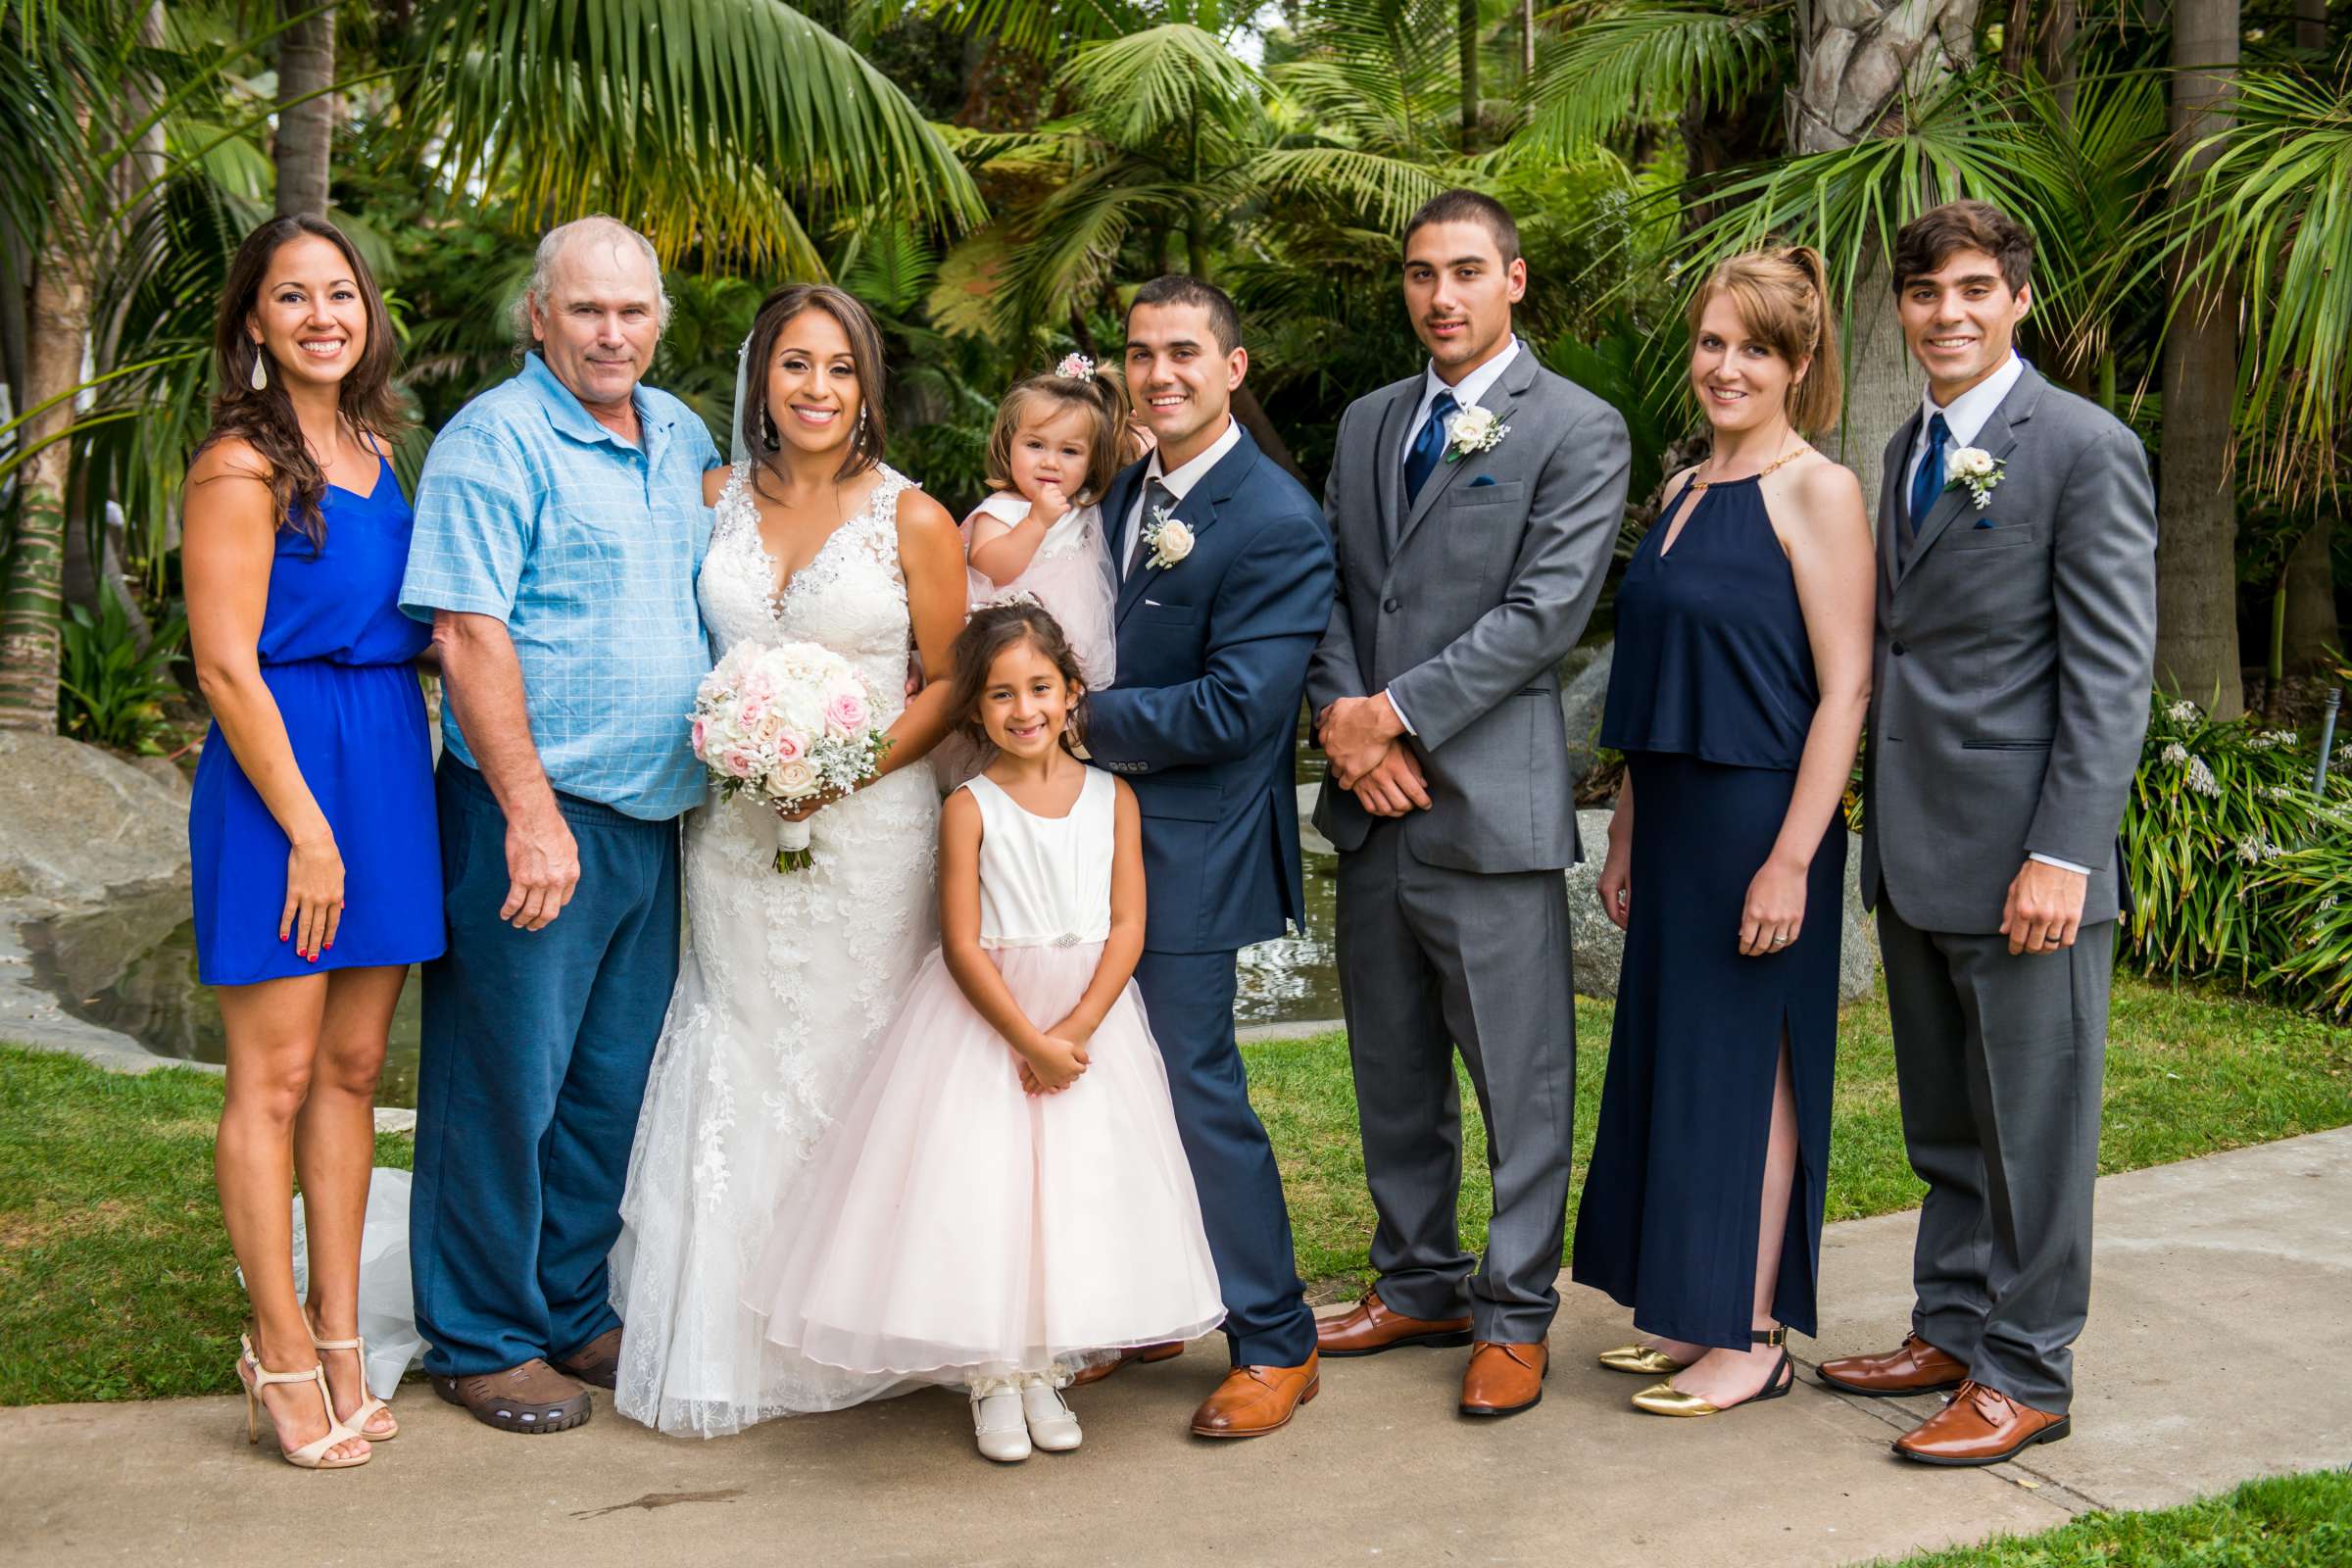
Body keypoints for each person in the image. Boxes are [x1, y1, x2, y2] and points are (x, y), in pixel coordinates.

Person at [1818, 200, 2157, 1466]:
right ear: (1901, 311)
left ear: (2018, 295)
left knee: (2035, 1139)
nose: (1946, 313)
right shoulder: (1904, 446)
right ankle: (1951, 1325)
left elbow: (2111, 675)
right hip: (1915, 858)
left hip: (2030, 866)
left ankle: (2028, 1372)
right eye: (1923, 293)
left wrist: (2065, 852)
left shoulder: (2083, 447)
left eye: (1972, 289)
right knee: (1947, 1124)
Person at [746, 602, 1226, 1463]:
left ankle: (1044, 1362)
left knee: (1068, 1197)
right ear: (974, 711)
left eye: (1040, 688)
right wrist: (1029, 1039)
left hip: (1090, 1024)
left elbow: (1127, 927)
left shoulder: (1114, 797)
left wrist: (1074, 1028)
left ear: (1073, 692)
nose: (1024, 710)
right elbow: (961, 945)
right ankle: (992, 1378)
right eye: (1000, 696)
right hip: (988, 1023)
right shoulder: (969, 805)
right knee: (984, 1194)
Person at [610, 282, 966, 1437]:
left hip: (871, 831)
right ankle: (741, 1326)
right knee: (742, 1046)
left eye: (841, 369)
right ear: (761, 376)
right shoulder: (711, 500)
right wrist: (756, 758)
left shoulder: (914, 518)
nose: (817, 390)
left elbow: (954, 683)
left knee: (864, 1048)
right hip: (734, 834)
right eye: (795, 365)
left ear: (868, 387)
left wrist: (841, 770)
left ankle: (884, 1311)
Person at [1306, 190, 1630, 1419]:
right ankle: (1417, 1278)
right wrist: (1347, 732)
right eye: (1420, 274)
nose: (1441, 296)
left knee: (1520, 1077)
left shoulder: (1578, 428)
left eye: (1465, 272)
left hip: (1487, 808)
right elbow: (1334, 589)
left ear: (1515, 279)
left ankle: (1514, 1309)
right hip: (1372, 799)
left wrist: (1386, 716)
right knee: (1391, 1066)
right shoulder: (1368, 422)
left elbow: (1543, 616)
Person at [398, 217, 723, 1436]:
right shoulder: (496, 439)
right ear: (539, 316)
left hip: (652, 820)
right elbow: (468, 635)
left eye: (633, 312)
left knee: (605, 1089)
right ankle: (479, 1335)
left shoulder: (679, 430)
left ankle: (570, 1306)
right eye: (587, 311)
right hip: (533, 818)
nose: (612, 333)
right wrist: (530, 817)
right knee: (503, 1084)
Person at [1570, 247, 1874, 1418]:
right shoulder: (1685, 487)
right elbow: (1656, 679)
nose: (1726, 367)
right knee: (1678, 1071)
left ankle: (1750, 1336)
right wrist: (1628, 830)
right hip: (1677, 817)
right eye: (1711, 343)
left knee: (1756, 1078)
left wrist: (1793, 857)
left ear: (1798, 364)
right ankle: (1692, 1309)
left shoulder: (1818, 491)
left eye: (1754, 348)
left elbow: (1845, 689)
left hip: (1762, 819)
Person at [184, 215, 438, 1467]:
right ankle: (277, 1350)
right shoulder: (242, 463)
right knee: (273, 1080)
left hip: (387, 756)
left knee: (351, 1074)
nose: (323, 315)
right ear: (254, 324)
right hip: (284, 771)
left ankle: (343, 1337)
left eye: (341, 293)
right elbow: (226, 664)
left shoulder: (386, 448)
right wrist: (307, 830)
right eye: (294, 298)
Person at [1082, 274, 1335, 1439]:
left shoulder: (1274, 516)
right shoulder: (1128, 489)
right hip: (1087, 837)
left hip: (1191, 846)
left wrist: (1077, 719)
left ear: (1234, 367)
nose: (1159, 373)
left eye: (1184, 351)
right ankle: (1140, 1303)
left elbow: (1241, 707)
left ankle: (1278, 1339)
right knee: (1103, 1087)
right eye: (1140, 354)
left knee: (1194, 1091)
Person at [931, 360, 1125, 789]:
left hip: (1066, 657)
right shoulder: (1003, 510)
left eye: (1070, 451)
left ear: (1092, 461)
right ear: (1008, 443)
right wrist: (1035, 522)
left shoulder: (1086, 508)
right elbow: (990, 565)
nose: (1050, 462)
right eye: (1035, 445)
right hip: (1007, 651)